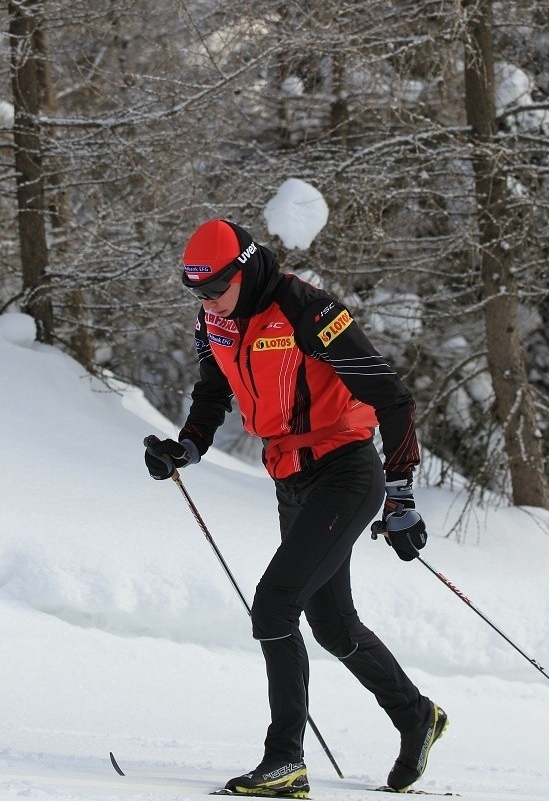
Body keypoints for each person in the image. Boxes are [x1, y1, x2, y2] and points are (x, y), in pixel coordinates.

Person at [144, 219, 448, 798]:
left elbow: (393, 396)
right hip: (290, 474)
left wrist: (401, 492)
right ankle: (417, 716)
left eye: (214, 289)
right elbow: (213, 391)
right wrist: (186, 446)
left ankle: (285, 761)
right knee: (332, 624)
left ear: (245, 269)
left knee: (275, 604)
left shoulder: (310, 310)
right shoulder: (216, 317)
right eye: (197, 293)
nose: (207, 302)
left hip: (346, 471)